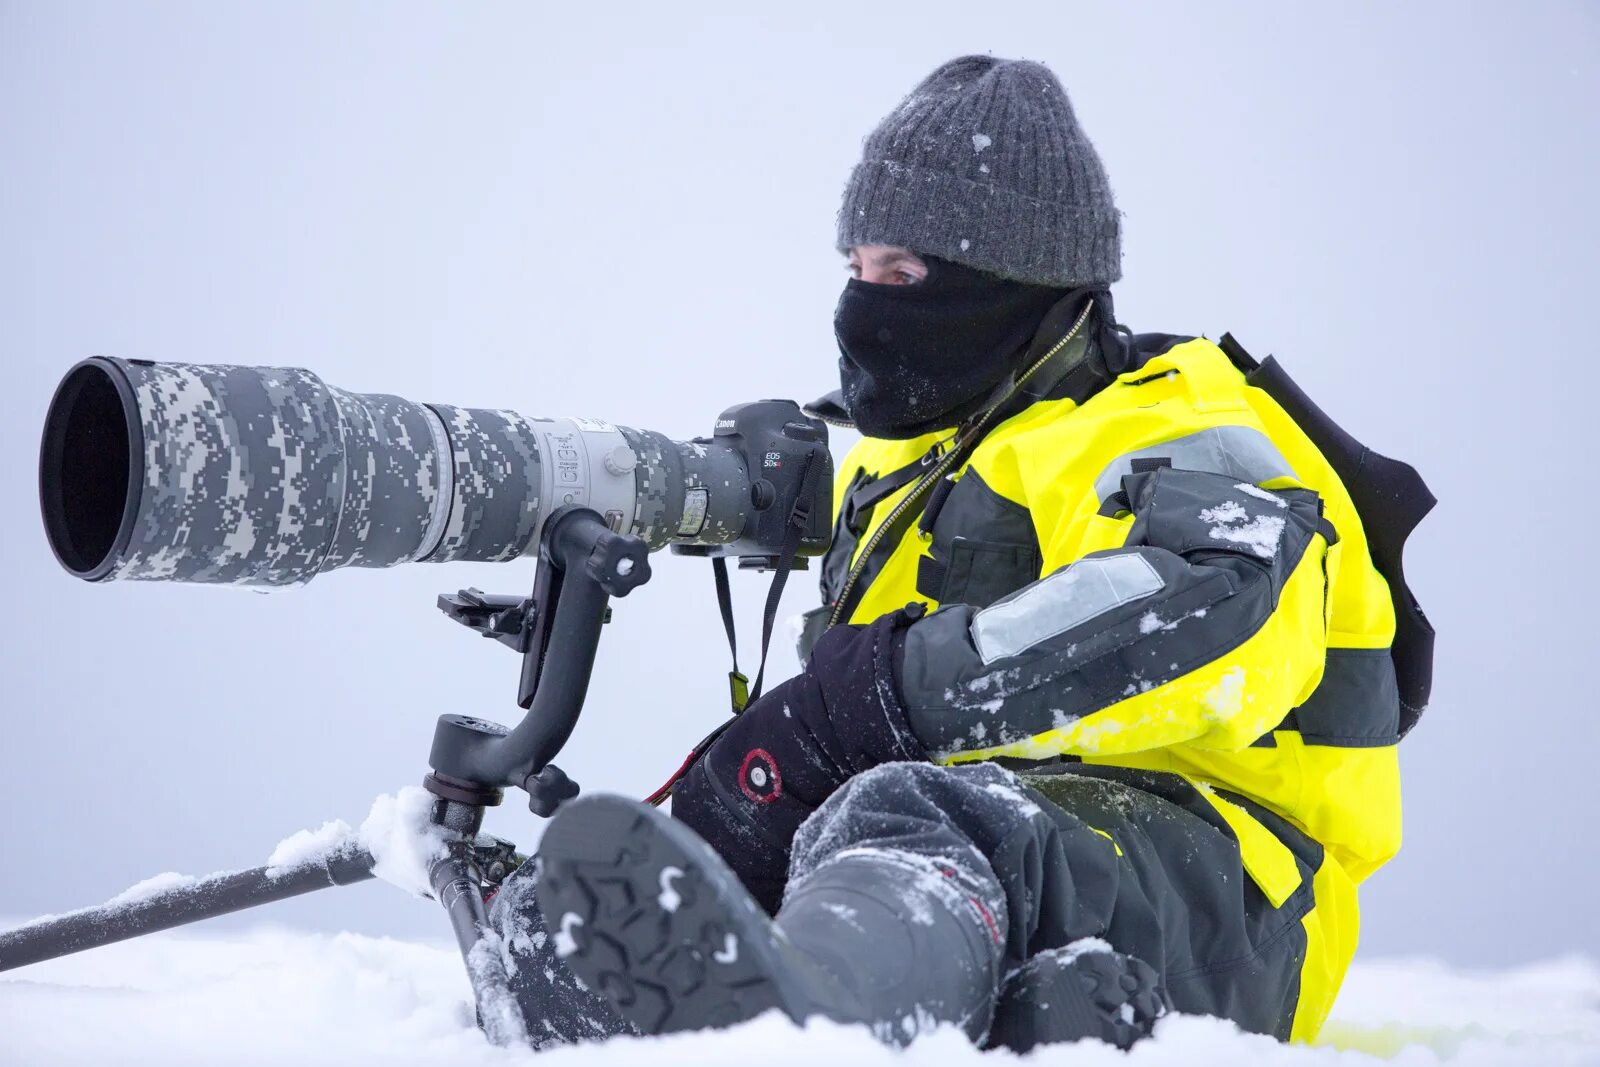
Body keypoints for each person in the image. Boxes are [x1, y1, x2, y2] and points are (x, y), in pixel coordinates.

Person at [492, 54, 1431, 1052]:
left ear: (1010, 276)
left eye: (900, 274)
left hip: (1233, 897)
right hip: (1020, 865)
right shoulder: (910, 462)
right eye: (857, 270)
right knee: (801, 837)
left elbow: (1211, 606)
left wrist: (878, 695)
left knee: (910, 810)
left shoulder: (1177, 420)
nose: (865, 306)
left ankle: (820, 1030)